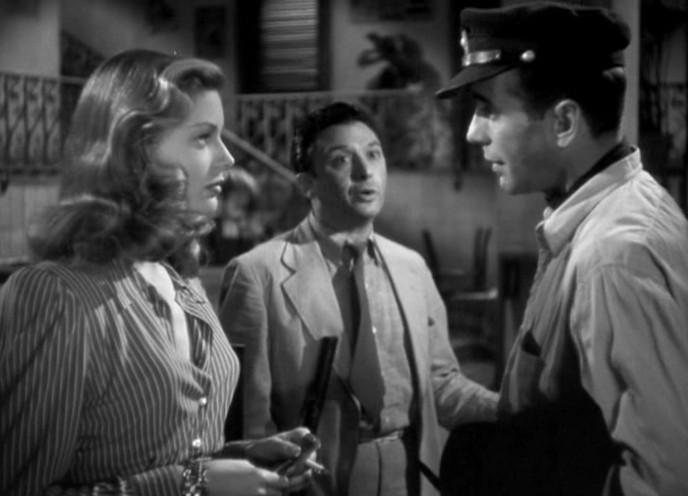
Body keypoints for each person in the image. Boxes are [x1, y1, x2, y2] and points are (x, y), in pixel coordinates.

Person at [0, 49, 317, 496]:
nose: (228, 158)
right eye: (203, 138)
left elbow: (169, 451)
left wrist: (242, 458)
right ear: (137, 150)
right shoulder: (57, 295)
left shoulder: (180, 278)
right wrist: (194, 483)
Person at [435, 3, 688, 496]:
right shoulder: (605, 215)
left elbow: (664, 478)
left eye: (488, 108)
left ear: (564, 121)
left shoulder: (614, 257)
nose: (473, 131)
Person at [218, 101, 498, 496]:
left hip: (412, 478)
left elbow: (440, 384)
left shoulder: (411, 268)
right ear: (307, 184)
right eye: (341, 160)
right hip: (314, 484)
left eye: (373, 154)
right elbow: (247, 419)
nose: (366, 171)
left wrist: (511, 409)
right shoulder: (258, 273)